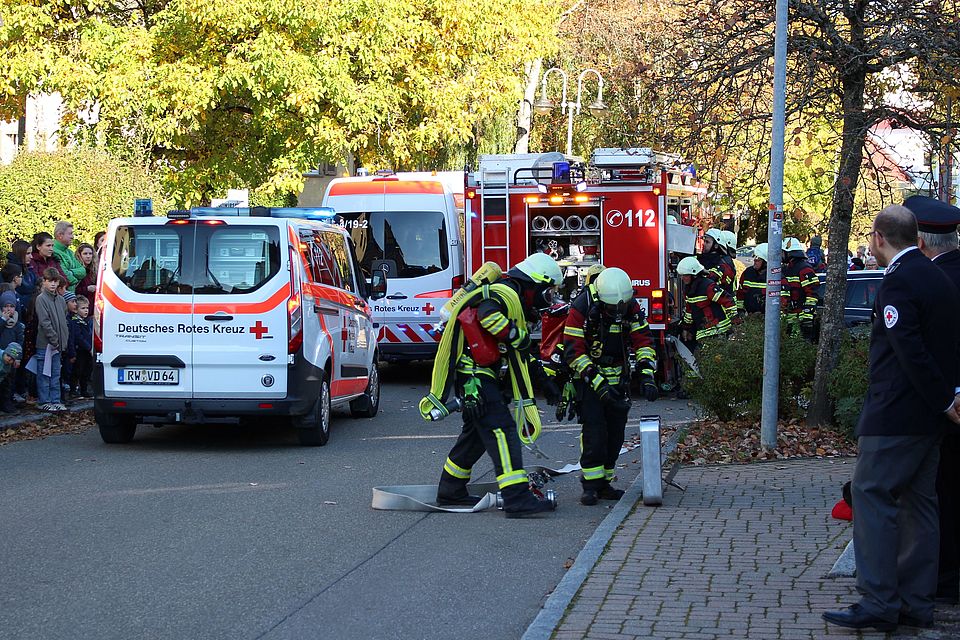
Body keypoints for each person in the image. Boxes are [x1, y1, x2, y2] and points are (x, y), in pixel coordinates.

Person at [823, 204, 960, 632]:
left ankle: (878, 600)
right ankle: (916, 602)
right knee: (921, 506)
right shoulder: (935, 276)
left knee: (872, 497)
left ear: (879, 237)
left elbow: (909, 352)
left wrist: (942, 399)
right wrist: (946, 399)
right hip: (927, 421)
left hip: (895, 416)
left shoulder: (899, 283)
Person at [422, 253, 562, 518]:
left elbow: (522, 355)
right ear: (535, 284)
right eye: (548, 291)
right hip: (475, 379)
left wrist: (546, 383)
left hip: (476, 377)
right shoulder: (502, 293)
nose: (548, 299)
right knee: (502, 431)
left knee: (475, 437)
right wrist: (514, 334)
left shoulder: (512, 299)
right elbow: (487, 316)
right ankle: (516, 497)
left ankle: (451, 489)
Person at [905, 194, 960, 606]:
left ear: (921, 244)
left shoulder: (929, 282)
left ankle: (943, 578)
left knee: (941, 491)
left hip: (943, 407)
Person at [562, 267, 656, 505]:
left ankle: (605, 484)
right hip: (590, 378)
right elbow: (573, 351)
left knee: (616, 434)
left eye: (620, 309)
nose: (617, 313)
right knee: (595, 433)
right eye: (612, 309)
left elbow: (643, 340)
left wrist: (647, 376)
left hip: (619, 379)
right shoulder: (582, 307)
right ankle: (590, 486)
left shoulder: (629, 305)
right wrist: (598, 383)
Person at [676, 256, 738, 349]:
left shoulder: (707, 286)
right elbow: (689, 311)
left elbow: (727, 300)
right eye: (681, 275)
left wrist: (735, 319)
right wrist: (685, 327)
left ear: (694, 274)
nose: (682, 278)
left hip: (718, 331)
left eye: (685, 275)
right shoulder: (689, 290)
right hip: (704, 332)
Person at [33, 268, 69, 412]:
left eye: (55, 281)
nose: (53, 284)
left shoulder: (60, 299)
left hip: (58, 344)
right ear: (45, 282)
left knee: (55, 373)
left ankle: (55, 400)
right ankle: (44, 400)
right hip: (45, 344)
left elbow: (64, 320)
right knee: (44, 373)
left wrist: (63, 340)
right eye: (50, 281)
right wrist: (54, 339)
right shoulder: (41, 299)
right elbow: (45, 322)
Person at [781, 237, 819, 339]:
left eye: (783, 252)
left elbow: (813, 293)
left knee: (799, 344)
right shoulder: (786, 269)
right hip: (790, 316)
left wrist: (807, 316)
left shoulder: (804, 269)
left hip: (801, 317)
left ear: (789, 253)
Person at [0, 291, 24, 412]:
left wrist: (18, 357)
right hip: (1, 356)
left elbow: (20, 341)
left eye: (11, 306)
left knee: (9, 381)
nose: (9, 309)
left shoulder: (17, 325)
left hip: (12, 357)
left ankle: (7, 402)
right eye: (6, 306)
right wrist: (3, 320)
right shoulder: (1, 321)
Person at [698, 228, 736, 297]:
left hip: (723, 305)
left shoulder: (725, 262)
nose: (704, 244)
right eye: (704, 241)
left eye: (707, 242)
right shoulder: (707, 258)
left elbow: (710, 278)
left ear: (716, 245)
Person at [69, 297, 94, 398]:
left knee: (86, 371)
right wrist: (89, 347)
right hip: (80, 350)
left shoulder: (87, 321)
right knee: (77, 371)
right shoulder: (75, 321)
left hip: (88, 351)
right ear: (76, 309)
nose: (86, 310)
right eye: (83, 308)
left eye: (87, 308)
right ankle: (73, 390)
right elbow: (79, 337)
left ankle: (84, 390)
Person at [52, 221, 86, 289]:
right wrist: (76, 280)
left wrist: (71, 272)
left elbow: (83, 271)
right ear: (60, 235)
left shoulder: (70, 252)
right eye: (70, 234)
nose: (73, 237)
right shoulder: (53, 252)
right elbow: (65, 276)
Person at [737, 243, 767, 314]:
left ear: (766, 261)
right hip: (750, 315)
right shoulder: (748, 272)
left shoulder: (774, 275)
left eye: (758, 259)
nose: (754, 261)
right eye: (754, 258)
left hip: (767, 317)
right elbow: (740, 293)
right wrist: (740, 310)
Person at [0, 342, 22, 413]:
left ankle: (5, 404)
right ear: (5, 352)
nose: (9, 359)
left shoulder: (8, 367)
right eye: (8, 355)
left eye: (12, 358)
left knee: (6, 383)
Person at [74, 243, 97, 308]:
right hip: (79, 306)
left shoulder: (93, 270)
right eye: (85, 253)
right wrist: (87, 289)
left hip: (92, 306)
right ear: (79, 255)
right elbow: (73, 289)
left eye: (90, 253)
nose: (88, 256)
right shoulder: (76, 269)